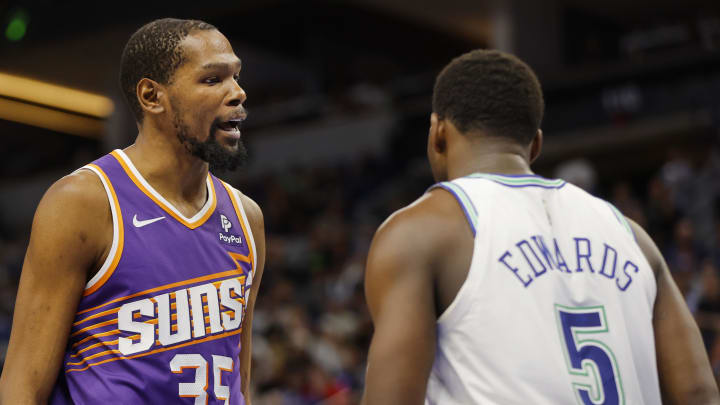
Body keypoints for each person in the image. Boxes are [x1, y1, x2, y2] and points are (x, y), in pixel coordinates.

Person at [362, 49, 720, 404]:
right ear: (535, 145)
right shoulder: (632, 235)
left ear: (438, 133)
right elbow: (698, 393)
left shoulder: (419, 232)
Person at [0, 18, 265, 405]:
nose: (238, 93)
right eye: (213, 80)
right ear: (151, 96)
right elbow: (23, 384)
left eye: (237, 76)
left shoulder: (247, 217)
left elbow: (238, 381)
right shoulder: (84, 202)